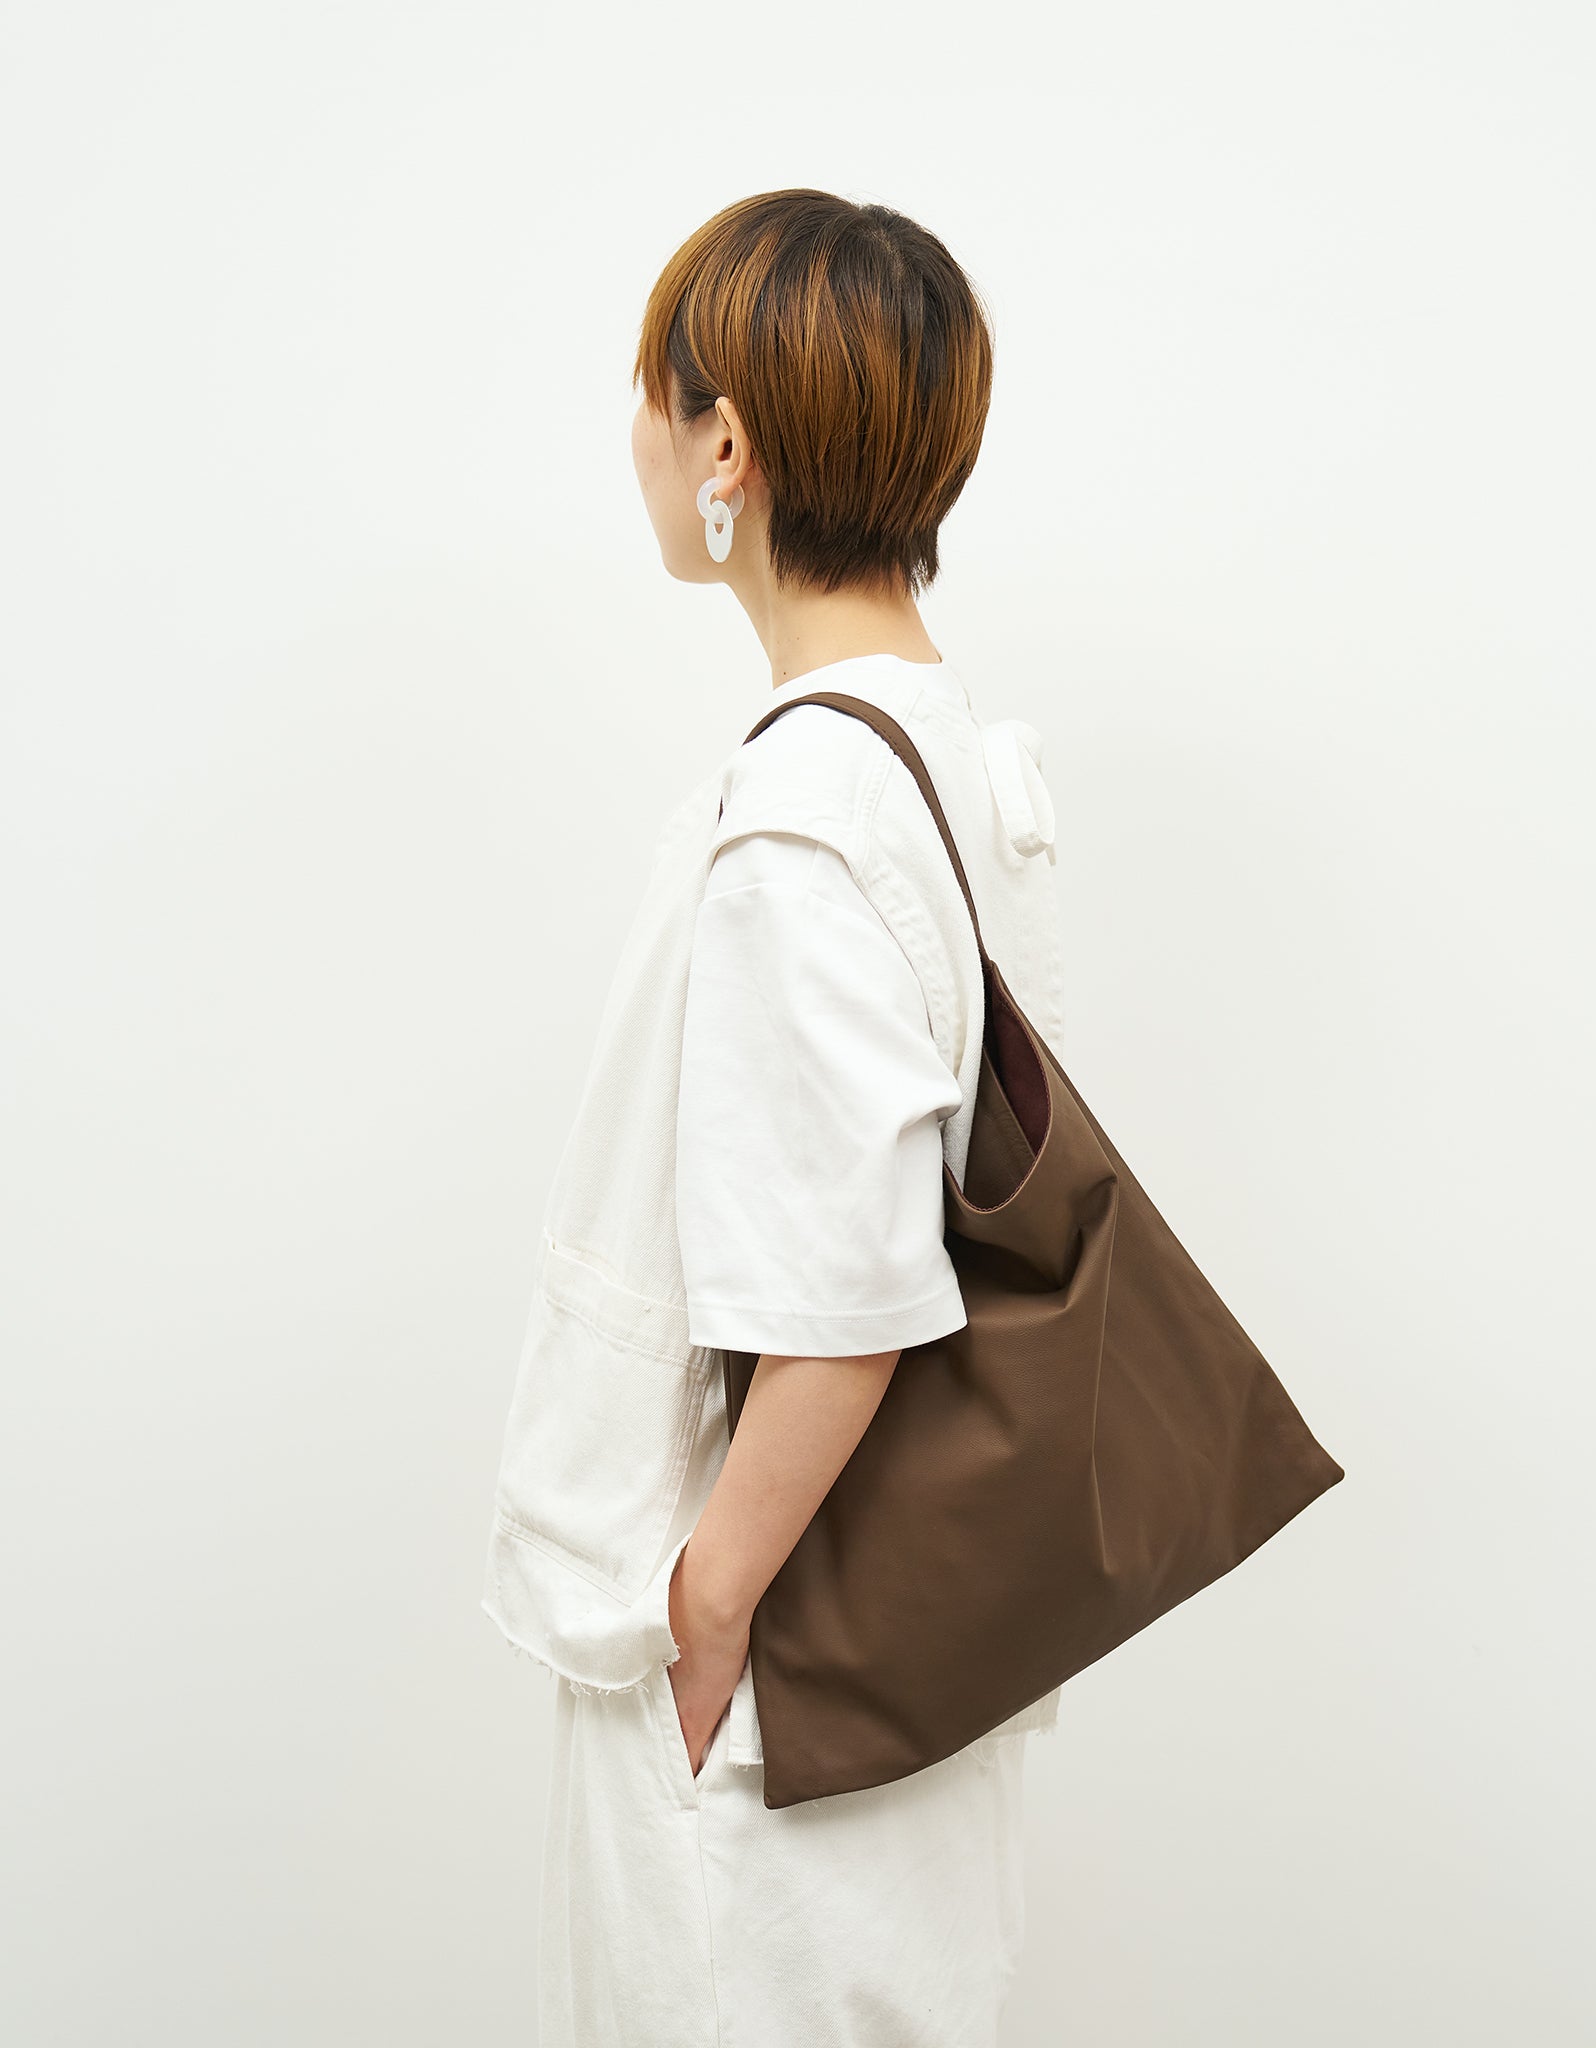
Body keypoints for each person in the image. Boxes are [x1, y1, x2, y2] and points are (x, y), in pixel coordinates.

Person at [480, 187, 1068, 2047]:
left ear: (724, 444)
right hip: (903, 1655)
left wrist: (703, 1608)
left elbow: (838, 1299)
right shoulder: (942, 753)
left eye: (651, 397)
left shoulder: (804, 818)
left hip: (767, 1701)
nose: (637, 438)